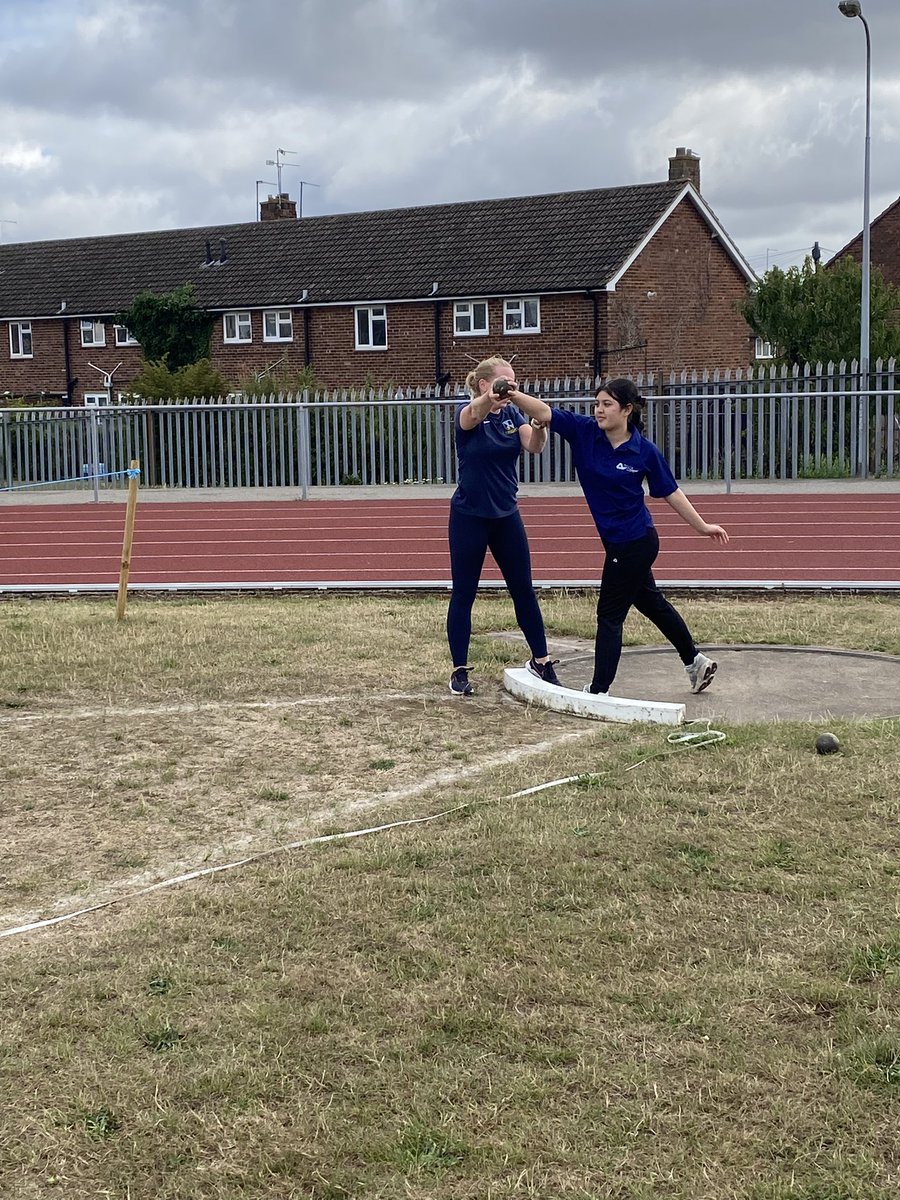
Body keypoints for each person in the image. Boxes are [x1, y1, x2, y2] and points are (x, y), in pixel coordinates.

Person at [510, 377, 728, 697]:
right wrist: (513, 394)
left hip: (635, 542)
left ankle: (599, 690)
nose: (599, 410)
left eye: (607, 404)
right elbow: (544, 412)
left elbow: (671, 492)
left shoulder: (644, 450)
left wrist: (702, 526)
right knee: (651, 603)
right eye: (597, 404)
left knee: (609, 616)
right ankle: (695, 661)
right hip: (619, 542)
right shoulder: (584, 431)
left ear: (626, 410)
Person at [447, 356, 561, 696]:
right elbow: (472, 416)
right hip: (469, 516)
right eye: (504, 382)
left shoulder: (512, 414)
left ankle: (541, 660)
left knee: (523, 589)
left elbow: (534, 446)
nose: (511, 388)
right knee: (464, 593)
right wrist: (489, 399)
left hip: (505, 515)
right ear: (485, 385)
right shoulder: (469, 413)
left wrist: (539, 427)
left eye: (514, 383)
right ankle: (459, 670)